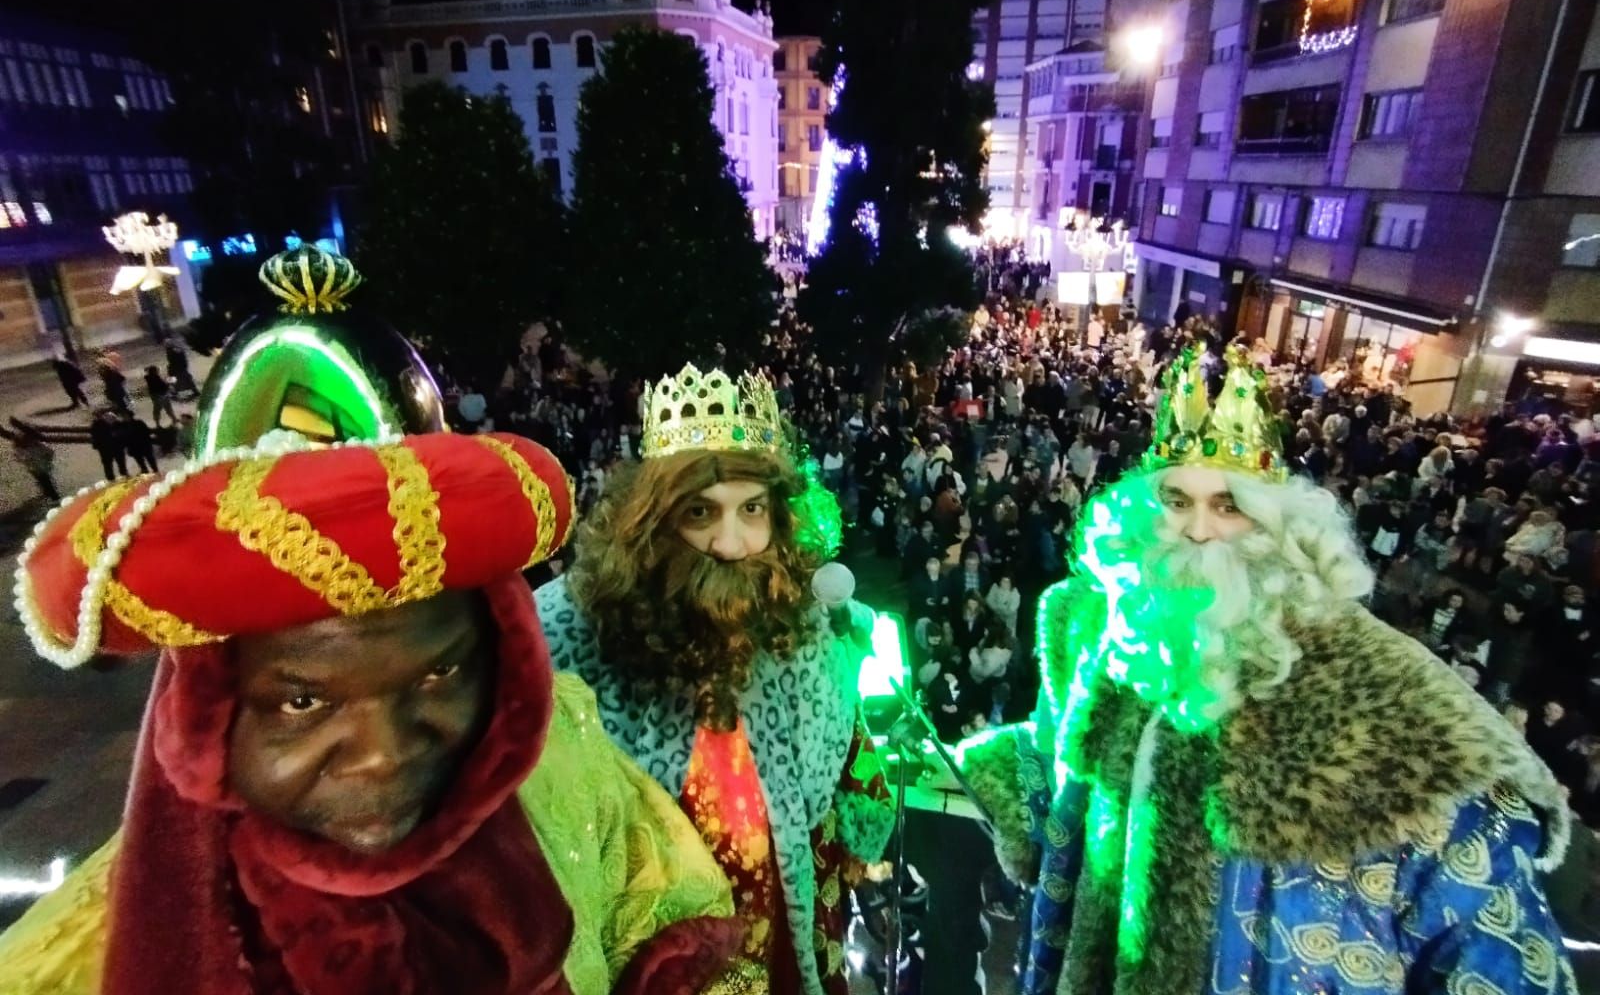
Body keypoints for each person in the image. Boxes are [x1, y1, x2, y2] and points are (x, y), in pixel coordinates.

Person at [0, 430, 749, 994]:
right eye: (303, 701)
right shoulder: (71, 960)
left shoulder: (572, 761)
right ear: (203, 718)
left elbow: (679, 932)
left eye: (437, 675)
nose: (383, 754)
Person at [960, 343, 1576, 994]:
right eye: (1176, 500)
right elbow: (1061, 753)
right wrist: (993, 768)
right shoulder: (1109, 637)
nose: (1198, 530)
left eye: (1229, 506)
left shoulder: (1402, 715)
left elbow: (1492, 948)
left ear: (1280, 530)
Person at [537, 363, 893, 995]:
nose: (731, 543)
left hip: (790, 936)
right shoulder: (570, 635)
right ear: (652, 520)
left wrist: (863, 827)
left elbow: (846, 752)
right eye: (701, 512)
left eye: (751, 509)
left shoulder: (802, 622)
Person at [12, 426, 57, 502]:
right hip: (34, 468)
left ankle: (54, 497)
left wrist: (47, 458)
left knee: (46, 481)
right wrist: (27, 459)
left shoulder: (37, 446)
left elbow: (50, 452)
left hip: (41, 467)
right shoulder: (19, 450)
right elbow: (19, 458)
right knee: (42, 480)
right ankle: (48, 493)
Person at [89, 409, 128, 481]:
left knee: (114, 464)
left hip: (111, 447)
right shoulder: (97, 424)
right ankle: (117, 477)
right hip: (110, 447)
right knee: (111, 465)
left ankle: (120, 476)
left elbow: (94, 437)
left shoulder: (98, 424)